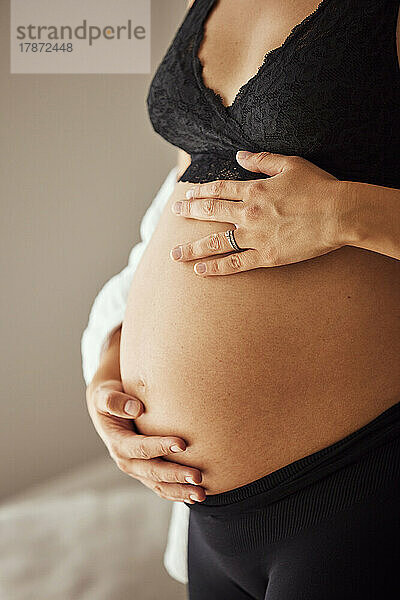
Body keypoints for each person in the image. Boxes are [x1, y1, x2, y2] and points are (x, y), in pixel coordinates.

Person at [82, 1, 400, 597]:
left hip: (355, 488)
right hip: (208, 516)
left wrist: (348, 214)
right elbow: (180, 208)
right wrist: (114, 360)